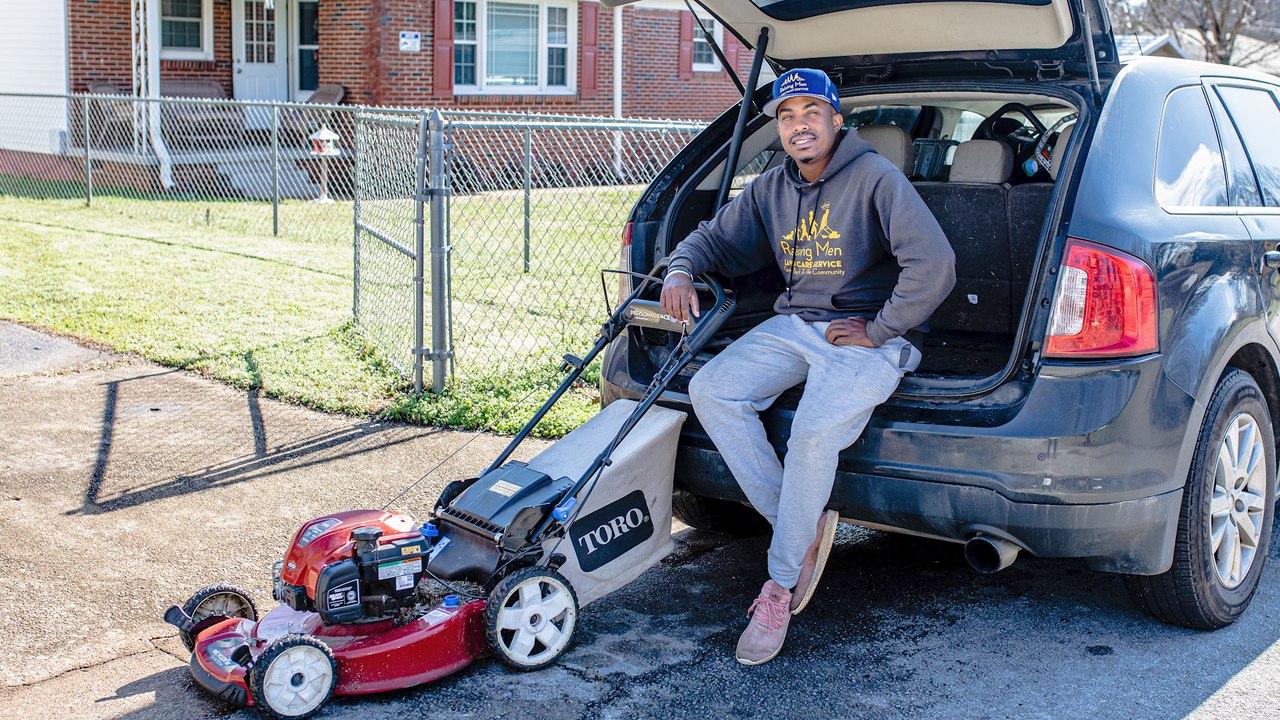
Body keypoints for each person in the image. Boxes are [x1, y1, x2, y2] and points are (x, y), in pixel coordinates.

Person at [661, 68, 955, 665]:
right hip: (796, 324)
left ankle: (779, 582)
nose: (800, 126)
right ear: (779, 128)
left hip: (869, 337)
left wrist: (879, 330)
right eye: (788, 116)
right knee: (714, 389)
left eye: (812, 114)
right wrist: (679, 269)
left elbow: (936, 263)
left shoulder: (875, 176)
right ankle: (800, 525)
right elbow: (710, 239)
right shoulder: (771, 187)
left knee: (814, 430)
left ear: (836, 121)